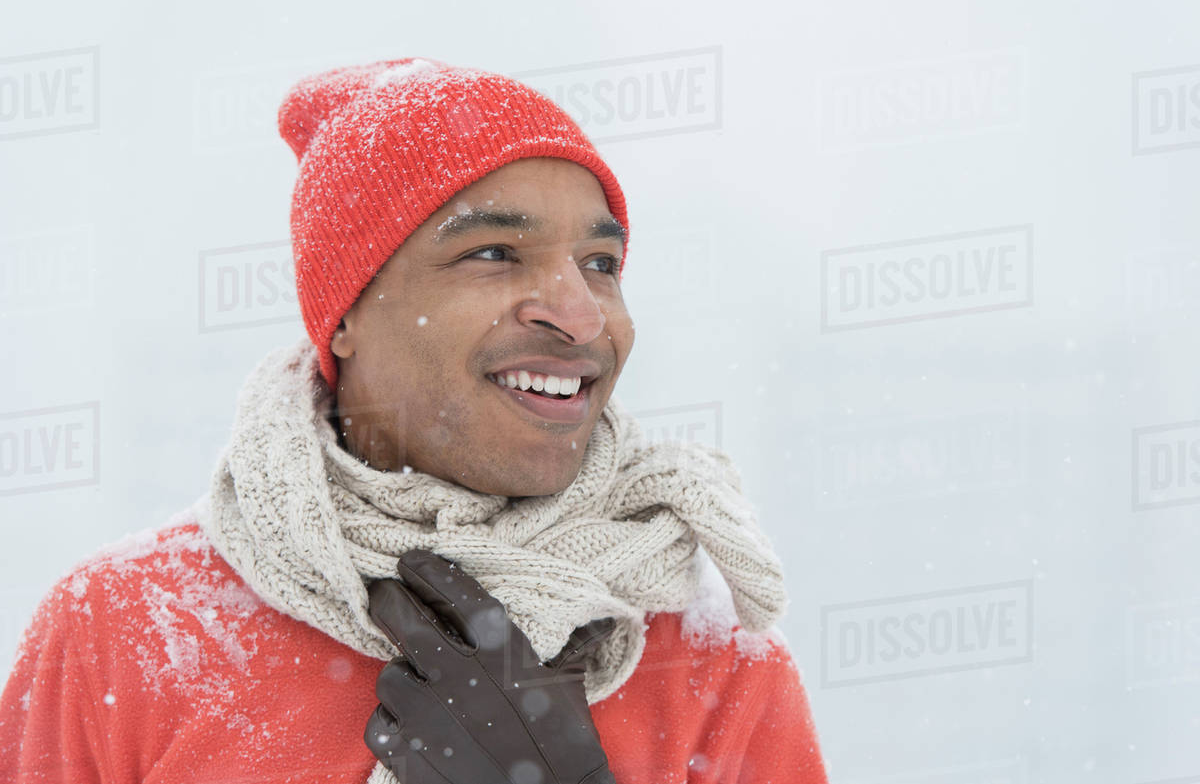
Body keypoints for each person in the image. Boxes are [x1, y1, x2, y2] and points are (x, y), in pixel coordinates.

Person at [0, 57, 829, 784]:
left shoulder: (705, 658)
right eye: (494, 253)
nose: (581, 315)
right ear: (346, 315)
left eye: (601, 263)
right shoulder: (129, 631)